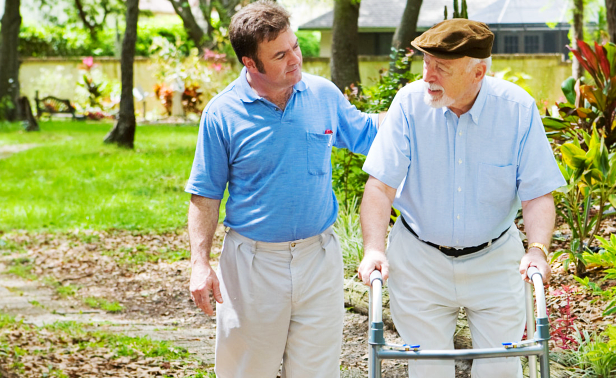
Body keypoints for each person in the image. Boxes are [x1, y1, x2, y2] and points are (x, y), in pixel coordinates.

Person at [357, 19, 564, 377]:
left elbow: (537, 194)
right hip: (420, 259)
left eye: (442, 68)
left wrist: (537, 249)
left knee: (500, 370)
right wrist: (374, 248)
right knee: (428, 370)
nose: (428, 76)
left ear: (478, 72)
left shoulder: (516, 109)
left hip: (495, 260)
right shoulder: (409, 104)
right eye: (426, 63)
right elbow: (380, 186)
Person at [184, 2, 382, 377]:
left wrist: (417, 107)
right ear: (250, 63)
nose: (295, 59)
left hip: (319, 257)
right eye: (280, 54)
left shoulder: (322, 94)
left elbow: (370, 134)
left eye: (295, 46)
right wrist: (199, 263)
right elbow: (205, 195)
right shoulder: (222, 113)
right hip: (253, 266)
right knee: (247, 372)